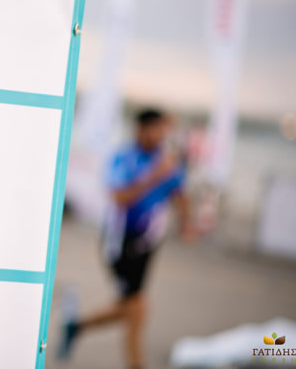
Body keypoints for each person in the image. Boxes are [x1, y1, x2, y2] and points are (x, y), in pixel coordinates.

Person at [58, 108, 198, 369]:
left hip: (148, 244)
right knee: (137, 309)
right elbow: (119, 197)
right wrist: (154, 176)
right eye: (155, 129)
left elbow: (179, 192)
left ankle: (76, 327)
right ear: (141, 129)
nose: (160, 135)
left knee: (130, 307)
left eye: (163, 130)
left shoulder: (166, 161)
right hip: (120, 241)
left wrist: (187, 223)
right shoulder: (123, 158)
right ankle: (135, 364)